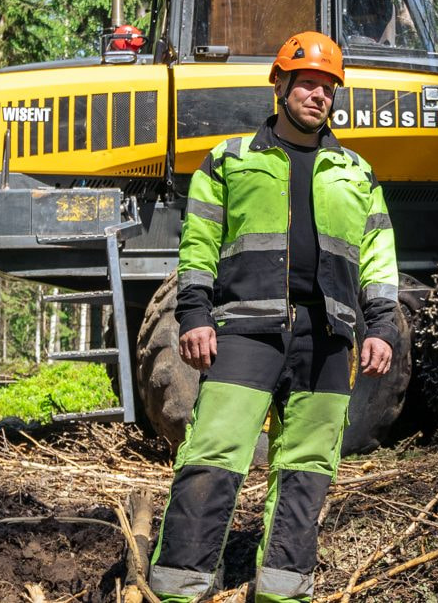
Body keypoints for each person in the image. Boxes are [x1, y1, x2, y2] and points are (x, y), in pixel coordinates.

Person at [148, 31, 400, 603]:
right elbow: (198, 247)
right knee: (213, 454)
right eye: (307, 83)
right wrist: (194, 315)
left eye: (328, 87)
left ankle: (283, 592)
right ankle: (180, 588)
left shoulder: (356, 173)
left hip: (329, 337)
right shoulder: (230, 161)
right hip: (245, 330)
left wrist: (381, 327)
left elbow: (379, 258)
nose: (319, 96)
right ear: (279, 86)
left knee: (309, 469)